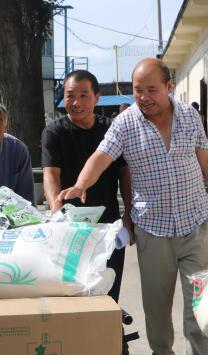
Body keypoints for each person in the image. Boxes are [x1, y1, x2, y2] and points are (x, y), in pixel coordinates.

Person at [57, 58, 208, 355]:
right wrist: (81, 184)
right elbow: (101, 157)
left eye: (151, 90)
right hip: (153, 228)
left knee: (198, 301)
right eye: (137, 90)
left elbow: (207, 162)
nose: (144, 97)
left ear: (169, 87)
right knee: (156, 303)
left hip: (195, 222)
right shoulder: (125, 123)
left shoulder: (189, 116)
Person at [42, 70, 132, 302]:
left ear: (97, 97)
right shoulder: (54, 132)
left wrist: (128, 216)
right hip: (69, 228)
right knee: (71, 294)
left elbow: (126, 174)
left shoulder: (111, 129)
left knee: (108, 293)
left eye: (84, 95)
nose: (76, 102)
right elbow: (50, 174)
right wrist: (56, 210)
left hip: (108, 226)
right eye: (70, 96)